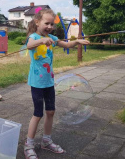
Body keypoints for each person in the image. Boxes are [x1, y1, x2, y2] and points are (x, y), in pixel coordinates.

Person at [24, 8, 90, 158]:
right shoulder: (33, 37)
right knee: (38, 113)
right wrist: (41, 40)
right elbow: (29, 45)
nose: (49, 27)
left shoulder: (52, 38)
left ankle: (46, 141)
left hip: (49, 82)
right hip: (37, 83)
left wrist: (77, 41)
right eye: (46, 23)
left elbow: (66, 45)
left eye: (51, 24)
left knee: (51, 112)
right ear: (37, 22)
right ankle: (28, 144)